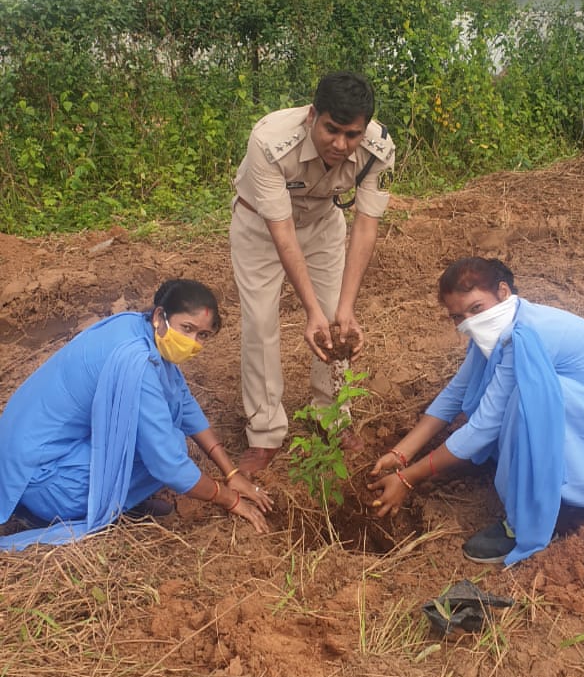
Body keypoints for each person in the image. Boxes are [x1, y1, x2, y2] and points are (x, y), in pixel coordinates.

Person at [368, 257, 584, 565]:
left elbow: (483, 428)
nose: (469, 322)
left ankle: (538, 518)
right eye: (457, 316)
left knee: (529, 398)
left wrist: (408, 478)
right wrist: (401, 453)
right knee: (525, 396)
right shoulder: (500, 331)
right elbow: (455, 393)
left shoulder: (529, 335)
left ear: (503, 292)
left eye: (476, 309)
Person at [0, 279, 272, 551]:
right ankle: (93, 505)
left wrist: (231, 471)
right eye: (187, 329)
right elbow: (170, 466)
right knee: (171, 444)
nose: (192, 343)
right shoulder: (137, 364)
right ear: (159, 316)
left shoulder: (133, 327)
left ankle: (118, 497)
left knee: (162, 425)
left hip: (20, 464)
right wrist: (230, 500)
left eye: (202, 335)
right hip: (45, 483)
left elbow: (182, 400)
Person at [230, 71, 395, 475]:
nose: (340, 144)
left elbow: (366, 226)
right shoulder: (269, 141)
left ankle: (332, 417)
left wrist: (345, 307)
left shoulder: (378, 148)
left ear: (365, 129)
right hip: (261, 228)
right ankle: (265, 433)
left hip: (323, 221)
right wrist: (310, 311)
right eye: (331, 130)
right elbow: (282, 232)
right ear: (311, 117)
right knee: (261, 324)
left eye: (352, 134)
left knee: (337, 324)